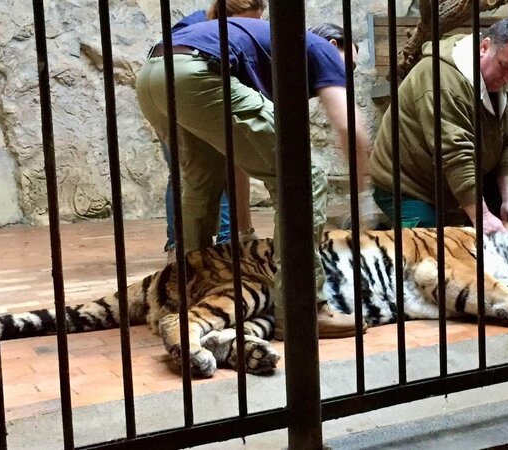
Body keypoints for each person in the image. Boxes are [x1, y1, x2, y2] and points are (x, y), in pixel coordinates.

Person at [135, 19, 370, 339]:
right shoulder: (318, 49)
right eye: (350, 67)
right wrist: (360, 187)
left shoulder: (271, 59)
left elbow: (237, 160)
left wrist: (243, 230)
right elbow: (349, 127)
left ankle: (186, 294)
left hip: (154, 75)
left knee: (201, 183)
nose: (347, 77)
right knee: (304, 175)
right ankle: (302, 311)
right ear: (333, 46)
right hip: (196, 73)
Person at [368, 18, 508, 233]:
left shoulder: (496, 81)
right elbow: (455, 153)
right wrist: (482, 216)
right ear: (484, 47)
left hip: (446, 181)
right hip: (408, 186)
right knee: (430, 248)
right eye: (505, 66)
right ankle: (384, 230)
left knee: (478, 243)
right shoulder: (441, 78)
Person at [160, 0, 267, 260]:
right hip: (180, 101)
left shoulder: (217, 28)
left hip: (175, 97)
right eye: (248, 20)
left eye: (257, 21)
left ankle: (208, 245)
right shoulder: (204, 28)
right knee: (193, 170)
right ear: (228, 14)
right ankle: (191, 245)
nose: (252, 27)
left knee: (204, 168)